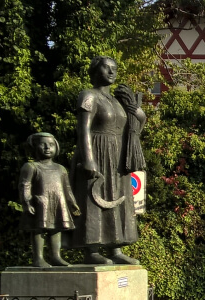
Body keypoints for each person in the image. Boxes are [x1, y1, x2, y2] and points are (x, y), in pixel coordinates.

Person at [71, 56, 142, 264]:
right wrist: (88, 159)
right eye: (106, 68)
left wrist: (135, 108)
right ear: (94, 71)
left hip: (118, 154)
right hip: (97, 149)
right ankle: (92, 250)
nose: (112, 72)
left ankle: (116, 249)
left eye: (115, 69)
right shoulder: (88, 96)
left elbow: (135, 126)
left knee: (119, 198)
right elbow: (83, 129)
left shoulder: (117, 102)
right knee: (94, 198)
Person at [18, 132, 81, 267]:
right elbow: (25, 185)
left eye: (51, 145)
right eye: (43, 144)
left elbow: (67, 188)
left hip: (58, 202)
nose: (48, 148)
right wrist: (27, 202)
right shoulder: (31, 167)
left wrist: (72, 203)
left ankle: (55, 256)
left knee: (56, 229)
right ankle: (38, 258)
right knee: (38, 229)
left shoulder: (60, 168)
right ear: (34, 147)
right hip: (40, 202)